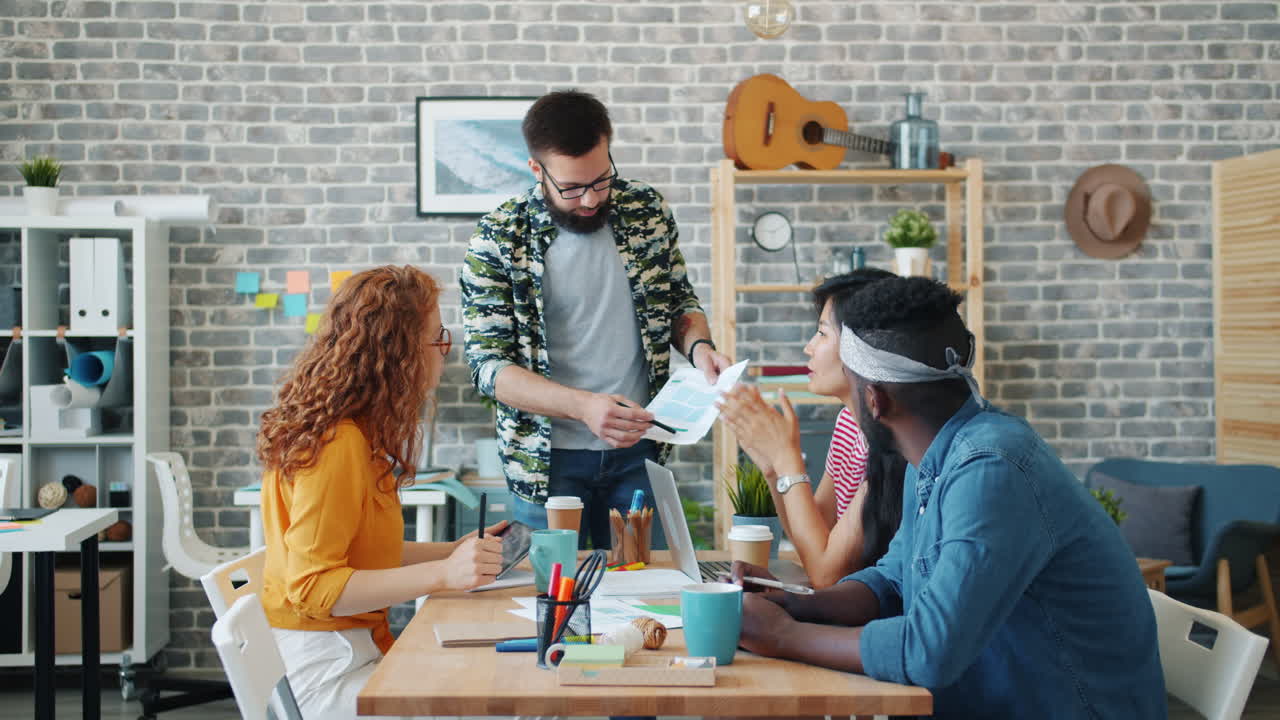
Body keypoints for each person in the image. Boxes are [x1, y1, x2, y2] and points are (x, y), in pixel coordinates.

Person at [731, 276, 1165, 719]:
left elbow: (929, 651)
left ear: (875, 400)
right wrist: (797, 603)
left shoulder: (991, 469)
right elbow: (893, 580)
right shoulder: (934, 453)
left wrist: (785, 636)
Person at [461, 90, 732, 550]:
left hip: (638, 450)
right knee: (557, 602)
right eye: (570, 187)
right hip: (547, 462)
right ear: (536, 170)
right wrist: (584, 406)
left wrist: (700, 348)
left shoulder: (645, 212)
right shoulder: (500, 238)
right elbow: (489, 368)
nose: (589, 199)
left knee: (642, 596)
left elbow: (678, 301)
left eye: (601, 179)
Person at [256, 266, 506, 720]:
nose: (444, 353)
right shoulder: (339, 443)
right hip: (327, 675)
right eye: (437, 339)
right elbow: (314, 588)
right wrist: (444, 575)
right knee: (499, 696)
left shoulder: (350, 433)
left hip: (347, 654)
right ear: (399, 354)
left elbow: (363, 552)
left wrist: (450, 553)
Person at [718, 269, 908, 588]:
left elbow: (824, 574)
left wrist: (788, 457)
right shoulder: (849, 422)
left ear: (860, 347)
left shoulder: (893, 442)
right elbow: (812, 535)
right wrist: (773, 469)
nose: (809, 347)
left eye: (822, 333)